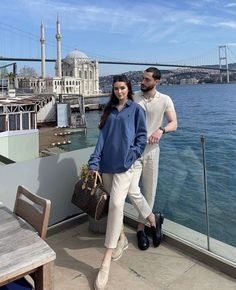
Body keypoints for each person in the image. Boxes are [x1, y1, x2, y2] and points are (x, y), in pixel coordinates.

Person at [88, 75, 161, 290]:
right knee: (116, 201)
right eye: (116, 88)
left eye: (122, 88)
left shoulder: (136, 110)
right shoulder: (109, 110)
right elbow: (102, 139)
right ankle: (122, 237)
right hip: (106, 165)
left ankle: (106, 260)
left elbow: (141, 137)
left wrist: (132, 156)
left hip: (125, 166)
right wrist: (94, 162)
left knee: (117, 204)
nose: (119, 91)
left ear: (128, 89)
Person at [116, 67, 178, 252]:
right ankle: (154, 219)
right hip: (133, 152)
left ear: (156, 82)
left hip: (152, 152)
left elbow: (174, 123)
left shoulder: (165, 99)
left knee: (150, 193)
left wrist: (162, 130)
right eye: (142, 79)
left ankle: (140, 229)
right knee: (131, 189)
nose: (142, 82)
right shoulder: (134, 97)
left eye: (147, 79)